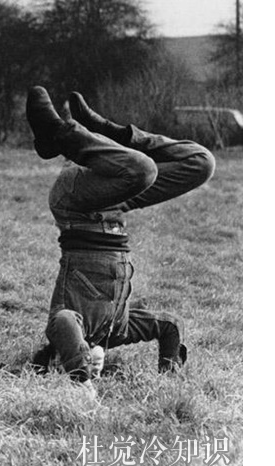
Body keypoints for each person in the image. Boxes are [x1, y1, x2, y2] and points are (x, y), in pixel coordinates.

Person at [26, 86, 215, 393]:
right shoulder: (119, 331)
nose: (97, 365)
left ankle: (60, 136)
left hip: (74, 206)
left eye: (76, 358)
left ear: (60, 358)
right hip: (112, 209)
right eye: (96, 370)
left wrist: (82, 377)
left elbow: (61, 324)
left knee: (142, 170)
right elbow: (170, 325)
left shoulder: (71, 324)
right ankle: (109, 132)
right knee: (201, 163)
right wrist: (168, 381)